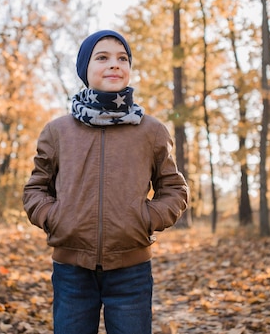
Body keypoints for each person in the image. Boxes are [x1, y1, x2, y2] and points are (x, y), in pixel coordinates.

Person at [23, 29, 189, 334]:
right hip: (72, 269)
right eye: (102, 57)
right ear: (85, 69)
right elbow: (36, 188)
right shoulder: (58, 131)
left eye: (122, 58)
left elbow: (174, 189)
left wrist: (145, 219)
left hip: (131, 269)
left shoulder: (151, 131)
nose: (114, 64)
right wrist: (56, 218)